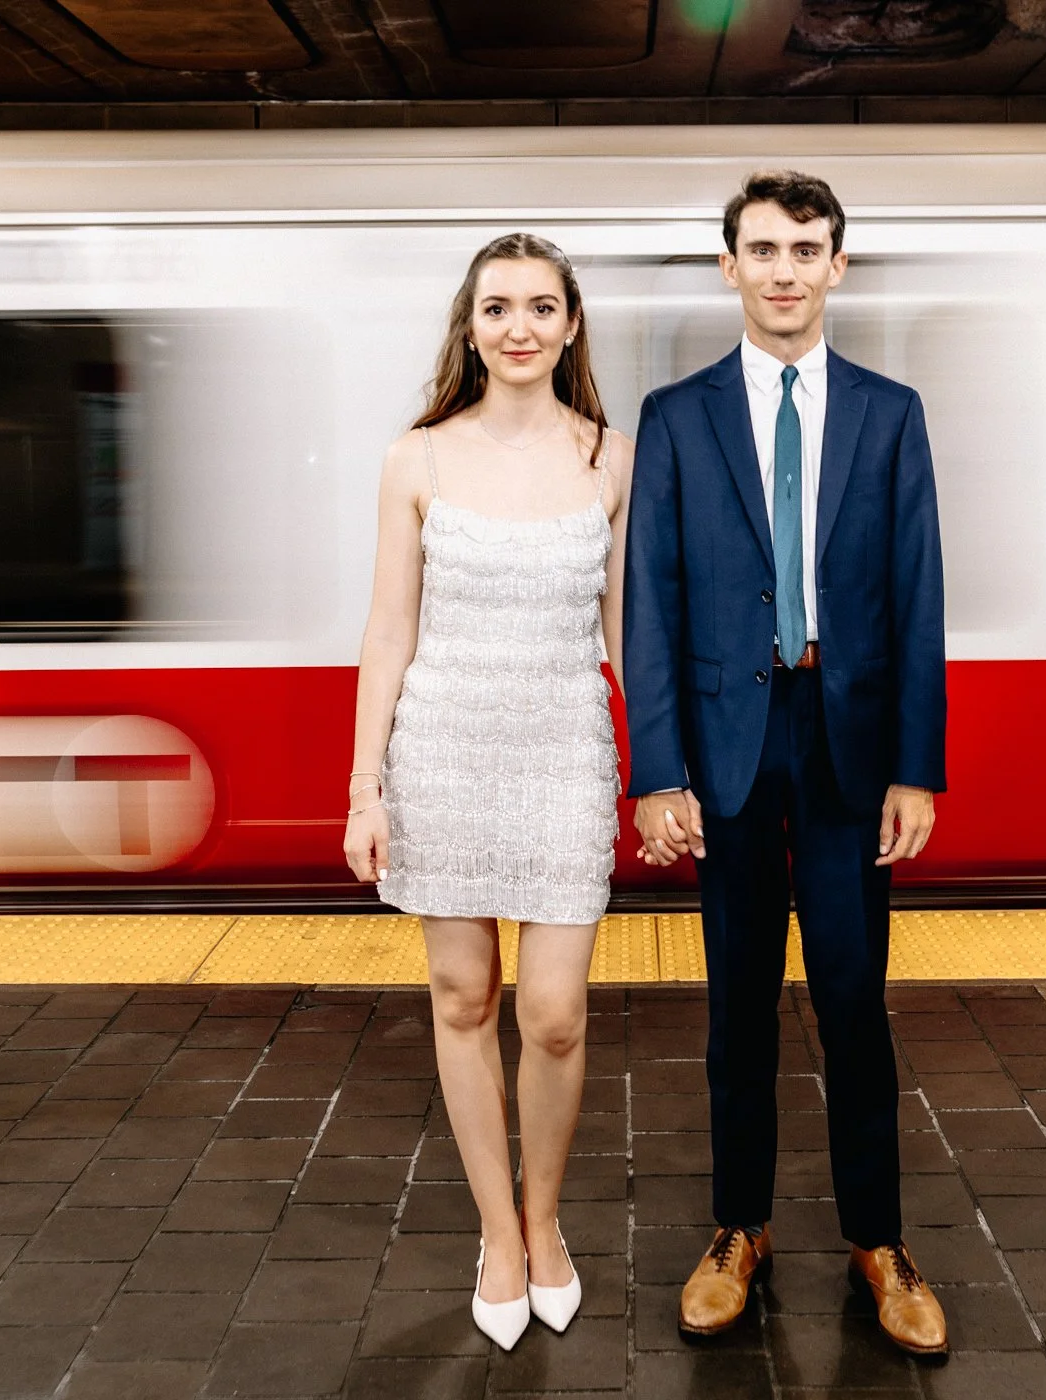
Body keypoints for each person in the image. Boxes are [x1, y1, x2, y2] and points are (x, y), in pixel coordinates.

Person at [623, 171, 949, 1355]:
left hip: (849, 743)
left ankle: (879, 1238)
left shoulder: (890, 410)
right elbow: (649, 605)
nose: (783, 269)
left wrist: (918, 765)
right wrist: (656, 772)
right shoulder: (676, 414)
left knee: (857, 1001)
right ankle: (739, 1230)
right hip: (726, 750)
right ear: (728, 266)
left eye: (805, 249)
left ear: (838, 266)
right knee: (737, 1006)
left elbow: (919, 595)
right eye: (761, 248)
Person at [343, 233, 634, 1351]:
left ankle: (548, 1214)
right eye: (499, 306)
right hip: (445, 748)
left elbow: (623, 629)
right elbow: (387, 630)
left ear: (570, 327)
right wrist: (366, 787)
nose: (520, 326)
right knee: (463, 996)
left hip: (564, 746)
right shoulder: (415, 457)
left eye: (542, 307)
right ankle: (501, 1235)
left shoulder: (610, 456)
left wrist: (658, 764)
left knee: (553, 1011)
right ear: (472, 327)